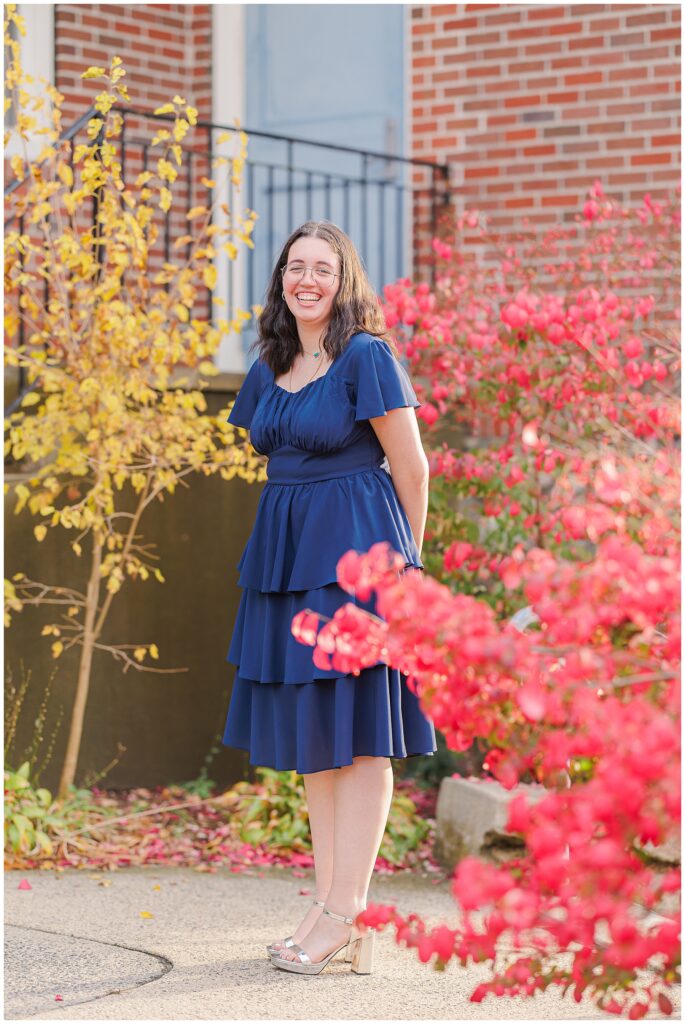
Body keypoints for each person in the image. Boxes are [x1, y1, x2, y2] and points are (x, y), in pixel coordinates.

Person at [221, 219, 436, 976]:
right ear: (280, 279)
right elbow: (275, 464)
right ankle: (329, 905)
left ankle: (347, 911)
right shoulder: (269, 365)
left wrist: (404, 568)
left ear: (344, 281)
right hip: (287, 564)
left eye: (322, 268)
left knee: (361, 740)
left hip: (359, 561)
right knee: (318, 741)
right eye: (294, 267)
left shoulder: (366, 357)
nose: (306, 279)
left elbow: (411, 469)